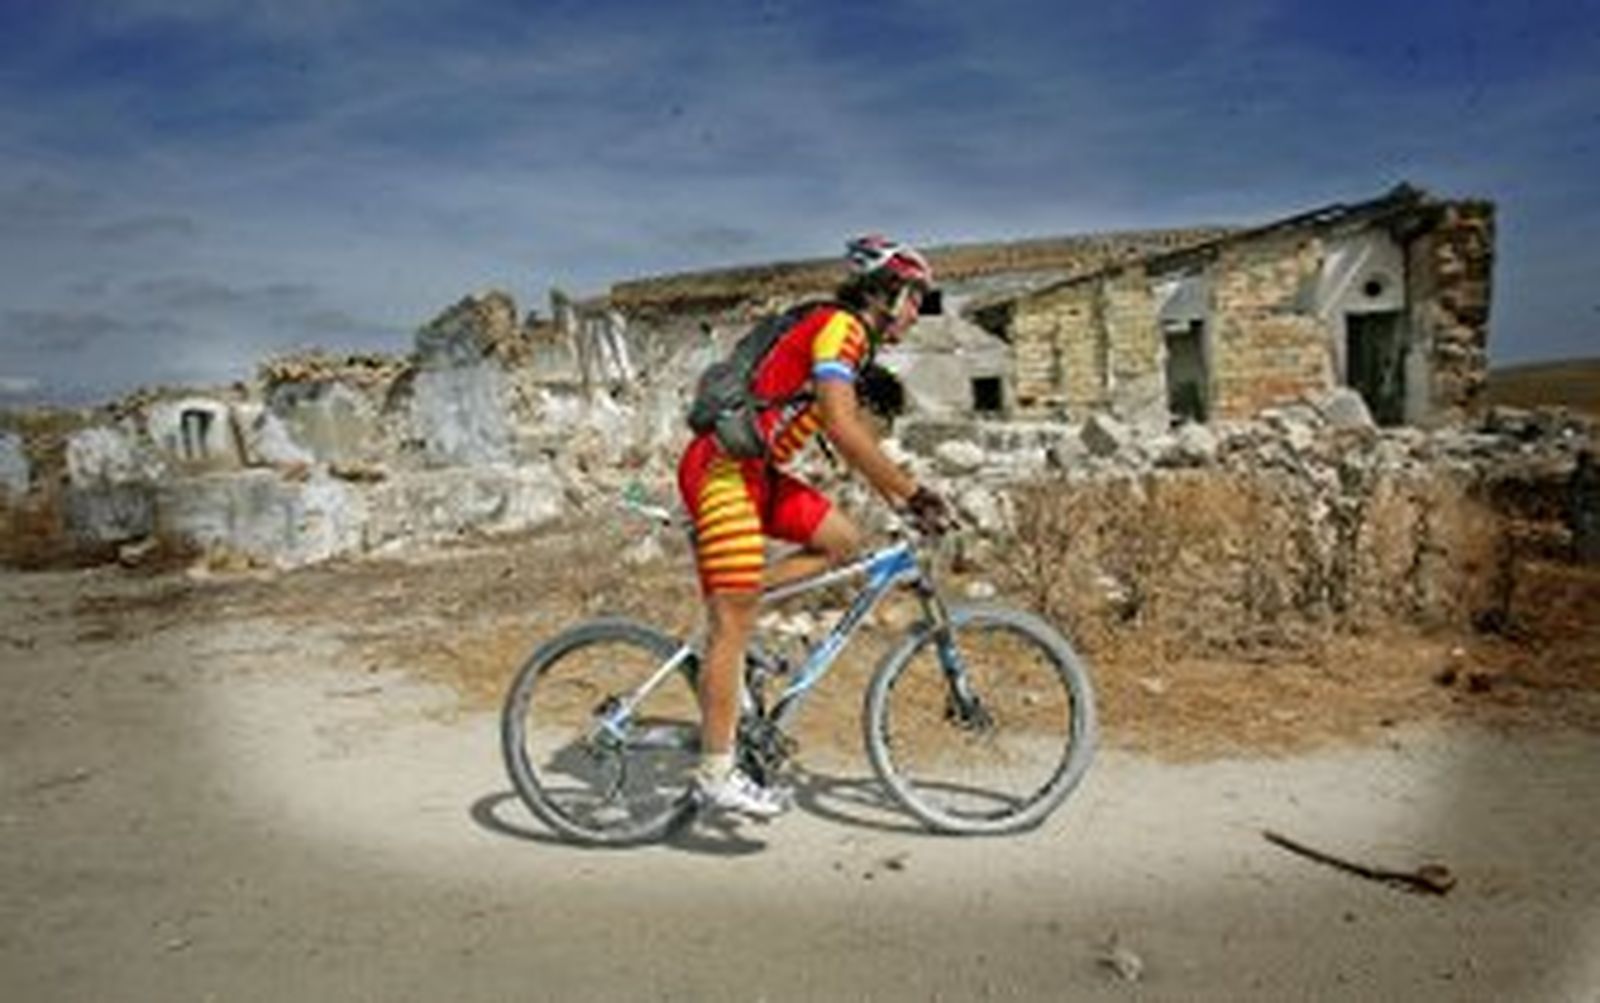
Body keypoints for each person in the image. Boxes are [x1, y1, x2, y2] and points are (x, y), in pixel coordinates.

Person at [676, 234, 951, 817]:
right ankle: (716, 772)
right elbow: (844, 428)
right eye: (915, 299)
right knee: (734, 621)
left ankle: (737, 607)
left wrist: (895, 489)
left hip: (756, 473)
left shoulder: (849, 341)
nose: (916, 313)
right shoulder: (842, 328)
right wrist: (912, 493)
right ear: (887, 290)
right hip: (721, 471)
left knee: (844, 542)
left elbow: (837, 419)